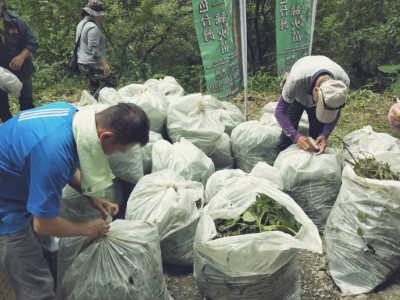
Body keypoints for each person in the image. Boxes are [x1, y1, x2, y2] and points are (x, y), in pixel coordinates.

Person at [0, 101, 150, 299]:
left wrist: (91, 195)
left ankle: (58, 280)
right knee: (34, 282)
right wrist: (86, 229)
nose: (116, 154)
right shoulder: (52, 152)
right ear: (105, 136)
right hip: (6, 206)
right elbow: (43, 224)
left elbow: (66, 164)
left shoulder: (72, 115)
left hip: (18, 179)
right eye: (119, 150)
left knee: (49, 248)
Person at [275, 55, 350, 154]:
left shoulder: (341, 85)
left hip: (319, 96)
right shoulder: (295, 80)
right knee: (287, 135)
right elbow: (279, 111)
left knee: (316, 136)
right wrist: (296, 137)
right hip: (297, 98)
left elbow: (336, 110)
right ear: (316, 90)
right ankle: (281, 158)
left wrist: (325, 134)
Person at [0, 0, 38, 123]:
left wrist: (21, 56)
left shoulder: (15, 21)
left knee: (27, 103)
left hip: (22, 68)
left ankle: (29, 130)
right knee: (2, 107)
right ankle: (10, 132)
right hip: (1, 72)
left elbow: (33, 43)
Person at [76, 0, 117, 99]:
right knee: (112, 81)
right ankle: (94, 101)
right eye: (101, 14)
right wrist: (104, 64)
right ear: (93, 14)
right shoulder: (93, 27)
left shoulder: (82, 23)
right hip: (91, 64)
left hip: (83, 62)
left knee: (94, 86)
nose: (103, 16)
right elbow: (93, 48)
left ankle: (94, 103)